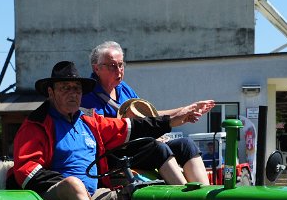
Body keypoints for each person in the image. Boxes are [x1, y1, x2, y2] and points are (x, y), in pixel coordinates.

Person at [12, 61, 201, 200]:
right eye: (65, 88)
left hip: (94, 195)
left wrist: (174, 120)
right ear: (50, 92)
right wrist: (73, 189)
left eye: (76, 89)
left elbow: (128, 127)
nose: (73, 93)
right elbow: (27, 172)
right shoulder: (36, 125)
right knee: (73, 184)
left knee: (145, 198)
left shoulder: (88, 121)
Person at [82, 40, 213, 185]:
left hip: (138, 146)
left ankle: (204, 198)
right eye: (112, 66)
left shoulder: (123, 88)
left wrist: (185, 111)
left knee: (185, 145)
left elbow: (147, 117)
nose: (119, 70)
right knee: (157, 148)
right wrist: (173, 119)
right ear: (96, 69)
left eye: (121, 65)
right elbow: (102, 131)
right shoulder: (87, 96)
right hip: (113, 154)